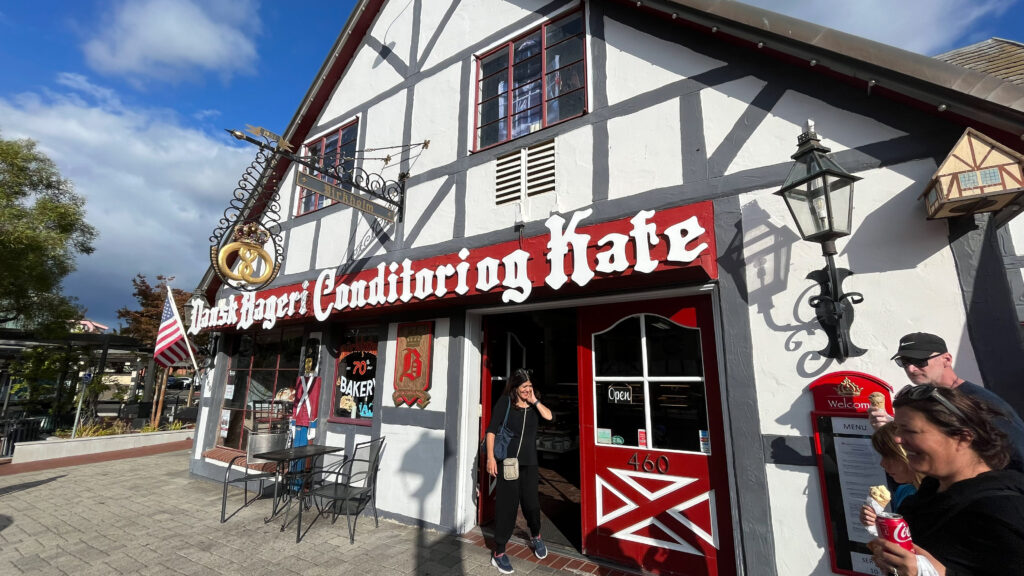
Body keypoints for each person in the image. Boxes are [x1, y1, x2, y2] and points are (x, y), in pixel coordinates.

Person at [868, 385, 1024, 576]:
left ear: (962, 437)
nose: (898, 439)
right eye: (897, 428)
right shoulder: (928, 493)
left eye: (910, 431)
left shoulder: (1002, 510)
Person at [871, 332, 1024, 471]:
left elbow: (1018, 449)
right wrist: (891, 428)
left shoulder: (977, 400)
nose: (910, 369)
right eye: (904, 362)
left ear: (947, 359)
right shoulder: (929, 399)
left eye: (920, 361)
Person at [485, 369, 553, 574]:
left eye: (530, 387)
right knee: (507, 507)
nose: (528, 390)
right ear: (515, 388)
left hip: (530, 464)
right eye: (524, 387)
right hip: (508, 463)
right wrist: (490, 458)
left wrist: (535, 401)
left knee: (532, 504)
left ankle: (536, 536)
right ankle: (499, 552)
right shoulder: (505, 403)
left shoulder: (534, 405)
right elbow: (491, 431)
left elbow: (549, 417)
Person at [859, 423, 923, 528]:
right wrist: (876, 522)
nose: (882, 464)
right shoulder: (903, 491)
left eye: (889, 456)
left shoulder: (941, 495)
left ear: (907, 454)